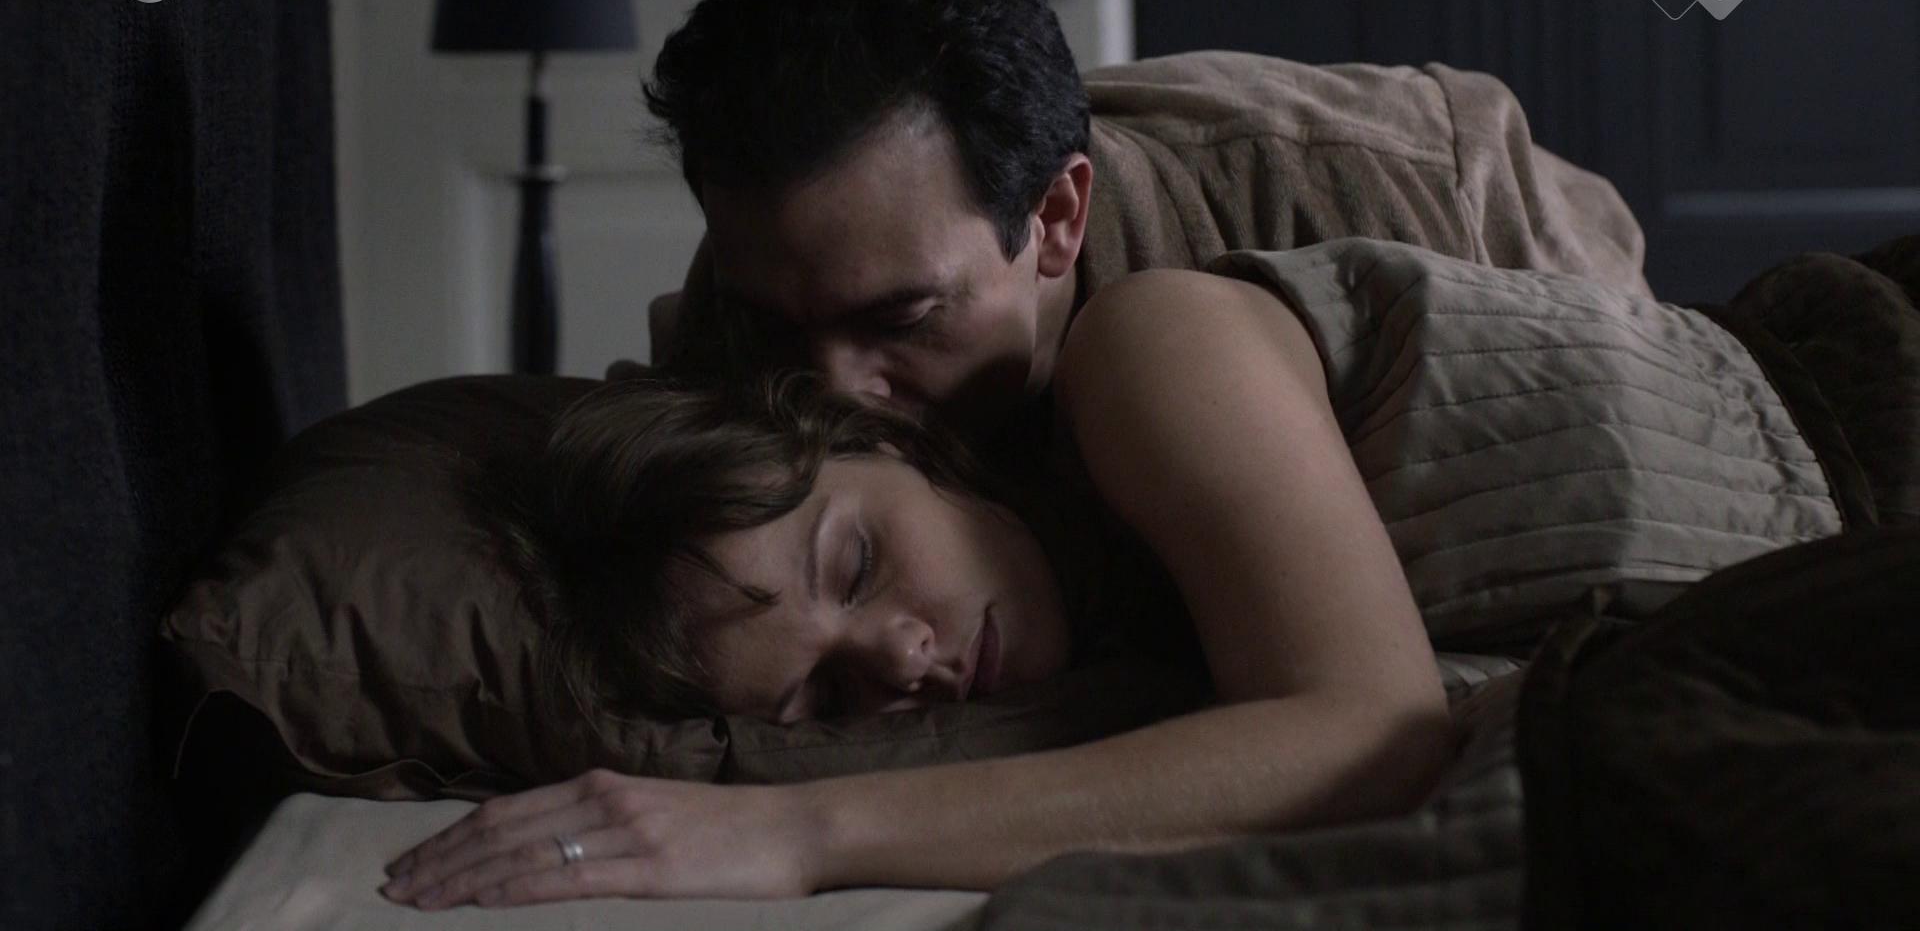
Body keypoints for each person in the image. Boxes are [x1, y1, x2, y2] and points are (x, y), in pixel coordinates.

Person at [377, 228, 1919, 908]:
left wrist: (795, 833)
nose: (900, 659)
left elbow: (1368, 732)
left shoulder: (1148, 349)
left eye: (857, 565)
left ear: (897, 441)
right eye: (830, 699)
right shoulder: (1121, 695)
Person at [645, 0, 1650, 449]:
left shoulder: (1404, 195)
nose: (827, 397)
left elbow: (1660, 461)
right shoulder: (762, 286)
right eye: (780, 330)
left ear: (1057, 218)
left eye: (901, 320)